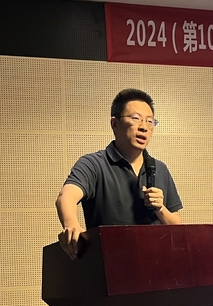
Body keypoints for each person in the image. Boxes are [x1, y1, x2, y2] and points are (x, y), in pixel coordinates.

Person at [55, 88, 182, 259]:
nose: (144, 127)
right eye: (135, 118)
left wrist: (160, 209)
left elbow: (176, 226)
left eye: (150, 121)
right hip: (111, 262)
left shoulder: (159, 168)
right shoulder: (94, 164)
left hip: (157, 263)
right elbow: (66, 196)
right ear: (115, 124)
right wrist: (71, 224)